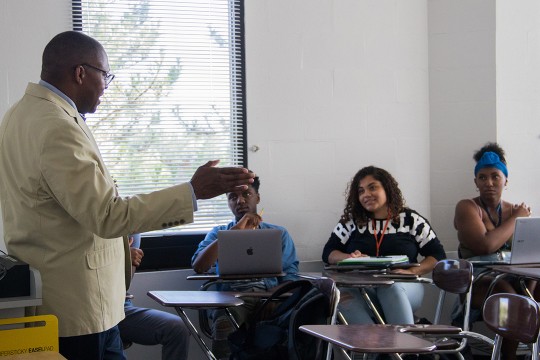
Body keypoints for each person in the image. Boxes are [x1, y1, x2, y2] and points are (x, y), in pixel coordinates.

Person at [0, 31, 255, 360]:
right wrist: (192, 192)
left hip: (58, 297)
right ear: (81, 73)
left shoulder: (18, 115)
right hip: (77, 307)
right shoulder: (56, 126)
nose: (107, 85)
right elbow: (107, 215)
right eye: (105, 75)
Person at [191, 173, 299, 359]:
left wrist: (274, 299)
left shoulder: (278, 234)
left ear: (258, 197)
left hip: (269, 298)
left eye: (246, 194)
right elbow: (199, 266)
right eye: (233, 197)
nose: (240, 201)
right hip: (232, 300)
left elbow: (291, 276)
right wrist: (235, 232)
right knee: (226, 322)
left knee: (299, 320)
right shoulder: (219, 233)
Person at [322, 165, 446, 325]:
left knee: (389, 288)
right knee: (342, 297)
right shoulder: (352, 222)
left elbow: (437, 255)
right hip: (364, 289)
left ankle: (404, 347)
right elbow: (328, 252)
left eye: (372, 188)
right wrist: (349, 257)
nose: (366, 195)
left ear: (387, 189)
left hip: (404, 287)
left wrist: (413, 271)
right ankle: (374, 347)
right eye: (361, 191)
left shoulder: (410, 220)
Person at [454, 142, 534, 360]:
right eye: (482, 177)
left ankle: (532, 351)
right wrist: (517, 218)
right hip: (477, 279)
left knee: (533, 289)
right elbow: (486, 246)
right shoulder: (467, 207)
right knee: (507, 293)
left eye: (495, 177)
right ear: (475, 181)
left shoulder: (514, 210)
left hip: (516, 276)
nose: (488, 183)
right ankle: (508, 357)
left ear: (505, 180)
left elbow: (528, 255)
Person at [119, 235, 190, 360]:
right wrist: (120, 256)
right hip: (95, 308)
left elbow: (125, 282)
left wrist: (125, 258)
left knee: (177, 328)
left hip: (121, 306)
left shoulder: (132, 230)